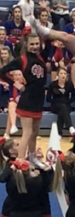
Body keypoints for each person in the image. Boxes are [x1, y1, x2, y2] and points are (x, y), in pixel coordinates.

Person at [0, 34, 47, 167]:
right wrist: (15, 83)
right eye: (32, 44)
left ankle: (32, 158)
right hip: (27, 99)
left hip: (39, 99)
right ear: (26, 45)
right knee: (27, 133)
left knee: (35, 133)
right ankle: (20, 162)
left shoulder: (40, 57)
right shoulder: (22, 60)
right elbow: (2, 72)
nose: (34, 46)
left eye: (36, 44)